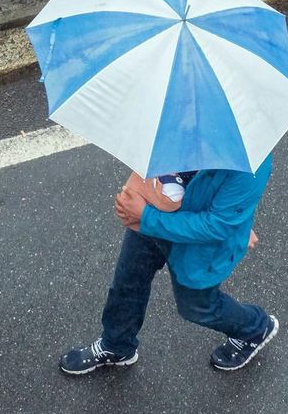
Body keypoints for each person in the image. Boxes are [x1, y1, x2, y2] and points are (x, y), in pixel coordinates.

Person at [60, 156, 276, 375]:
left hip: (196, 243)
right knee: (128, 282)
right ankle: (116, 345)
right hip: (157, 211)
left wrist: (144, 216)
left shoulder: (251, 162)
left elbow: (216, 226)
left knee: (197, 308)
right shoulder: (184, 124)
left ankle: (255, 328)